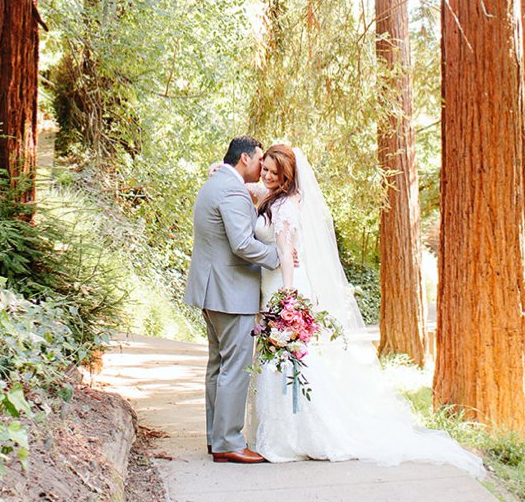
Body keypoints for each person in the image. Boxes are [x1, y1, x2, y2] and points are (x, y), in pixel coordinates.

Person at [247, 142, 484, 474]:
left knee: (289, 358)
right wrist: (224, 172)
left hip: (284, 285)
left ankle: (293, 436)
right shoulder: (275, 198)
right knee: (281, 358)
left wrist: (288, 298)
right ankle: (279, 432)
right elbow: (250, 187)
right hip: (271, 283)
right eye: (266, 170)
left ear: (287, 176)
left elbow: (286, 253)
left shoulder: (285, 206)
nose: (268, 176)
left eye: (275, 172)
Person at [185, 135, 280, 464]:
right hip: (231, 293)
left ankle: (217, 439)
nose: (261, 167)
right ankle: (229, 441)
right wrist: (277, 255)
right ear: (244, 158)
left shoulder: (216, 183)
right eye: (258, 160)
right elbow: (242, 243)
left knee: (218, 366)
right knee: (235, 368)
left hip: (214, 290)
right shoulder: (231, 189)